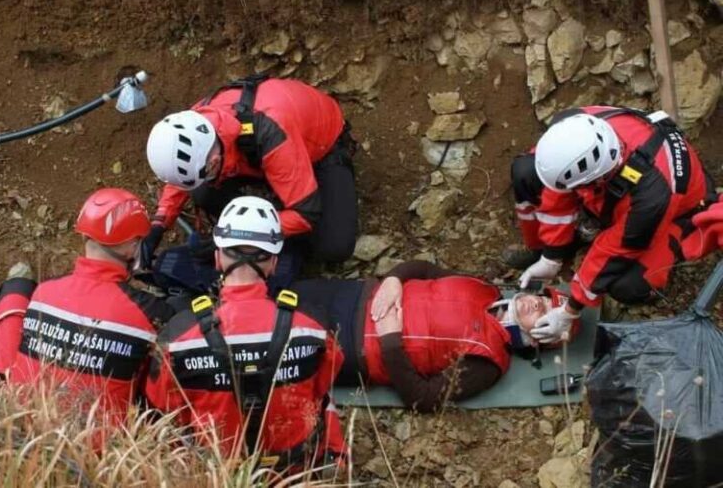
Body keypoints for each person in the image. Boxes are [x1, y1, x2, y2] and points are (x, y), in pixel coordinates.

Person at [144, 196, 346, 472]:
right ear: (273, 263)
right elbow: (325, 380)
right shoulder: (313, 327)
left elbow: (163, 410)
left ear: (217, 258)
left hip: (213, 475)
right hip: (293, 472)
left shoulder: (178, 338)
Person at [506, 106, 717, 344]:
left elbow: (615, 249)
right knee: (525, 171)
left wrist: (571, 309)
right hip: (620, 190)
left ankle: (652, 288)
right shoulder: (573, 125)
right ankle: (541, 250)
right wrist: (551, 256)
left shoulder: (651, 196)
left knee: (630, 286)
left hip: (675, 214)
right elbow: (558, 190)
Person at [142, 75, 358, 289]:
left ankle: (290, 244)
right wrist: (158, 225)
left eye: (206, 173)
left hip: (320, 147)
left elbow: (306, 212)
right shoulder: (195, 124)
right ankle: (272, 213)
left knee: (334, 245)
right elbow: (180, 178)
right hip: (255, 150)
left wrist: (234, 236)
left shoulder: (269, 131)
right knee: (204, 193)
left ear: (214, 161)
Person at [291, 260, 575, 412]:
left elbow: (423, 398)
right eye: (543, 297)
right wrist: (394, 278)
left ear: (538, 338)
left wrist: (390, 339)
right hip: (354, 293)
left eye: (545, 313)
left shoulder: (487, 363)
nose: (538, 302)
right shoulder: (484, 289)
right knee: (275, 293)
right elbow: (426, 270)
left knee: (268, 335)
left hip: (351, 345)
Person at [2, 188, 175, 425]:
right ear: (130, 247)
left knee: (16, 290)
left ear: (84, 236)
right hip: (100, 451)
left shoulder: (43, 292)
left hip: (19, 429)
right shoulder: (151, 313)